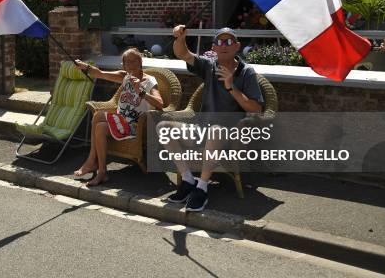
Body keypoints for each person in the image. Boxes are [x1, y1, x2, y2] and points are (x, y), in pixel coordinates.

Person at [159, 26, 264, 212]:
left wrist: (231, 87)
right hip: (202, 129)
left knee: (216, 129)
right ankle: (188, 180)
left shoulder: (247, 72)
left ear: (237, 46)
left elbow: (256, 108)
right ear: (214, 47)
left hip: (230, 133)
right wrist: (180, 37)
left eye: (229, 42)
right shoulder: (209, 65)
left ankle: (202, 187)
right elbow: (183, 53)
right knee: (164, 127)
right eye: (220, 42)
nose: (224, 45)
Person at [73, 48, 164, 186]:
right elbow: (101, 74)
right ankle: (102, 172)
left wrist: (141, 91)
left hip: (134, 125)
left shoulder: (149, 81)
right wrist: (85, 66)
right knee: (99, 128)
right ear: (123, 66)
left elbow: (160, 103)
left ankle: (91, 161)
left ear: (140, 62)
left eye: (134, 61)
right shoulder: (125, 76)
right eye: (127, 62)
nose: (131, 65)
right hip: (119, 120)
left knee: (98, 116)